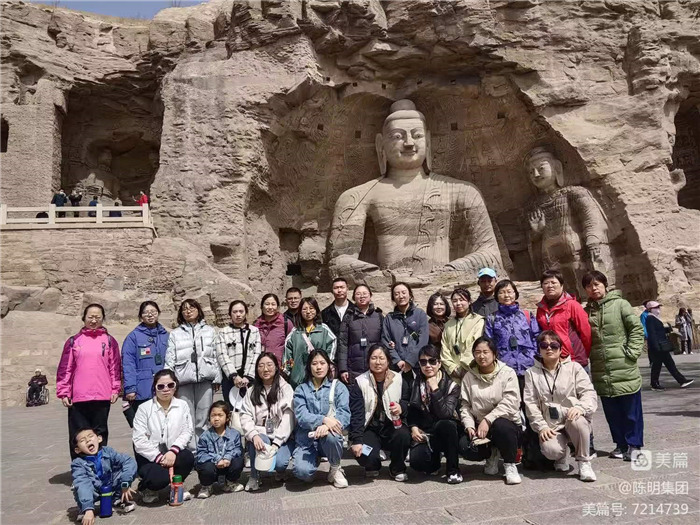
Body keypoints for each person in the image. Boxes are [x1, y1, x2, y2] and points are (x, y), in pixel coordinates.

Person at [583, 271, 646, 461]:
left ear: (605, 285)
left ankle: (634, 445)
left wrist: (631, 353)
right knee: (612, 412)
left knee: (631, 411)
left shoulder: (620, 304)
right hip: (601, 369)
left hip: (624, 365)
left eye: (597, 284)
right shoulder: (587, 311)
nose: (593, 289)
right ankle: (621, 444)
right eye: (589, 286)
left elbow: (636, 329)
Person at [523, 331, 598, 482]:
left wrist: (581, 408)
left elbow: (589, 393)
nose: (549, 348)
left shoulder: (575, 368)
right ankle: (561, 455)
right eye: (544, 345)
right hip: (551, 424)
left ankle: (584, 462)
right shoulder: (531, 373)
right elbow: (530, 403)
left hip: (572, 418)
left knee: (578, 422)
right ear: (539, 349)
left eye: (554, 345)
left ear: (561, 349)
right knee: (551, 450)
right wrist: (541, 426)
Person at [57, 303, 121, 459]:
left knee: (99, 434)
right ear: (84, 318)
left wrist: (115, 389)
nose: (93, 320)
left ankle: (100, 466)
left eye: (97, 317)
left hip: (102, 395)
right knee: (78, 435)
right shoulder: (74, 341)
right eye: (90, 317)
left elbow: (115, 367)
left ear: (103, 318)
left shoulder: (109, 341)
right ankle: (80, 468)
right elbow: (66, 368)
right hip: (79, 396)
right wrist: (64, 392)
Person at [459, 337, 523, 484]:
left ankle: (510, 464)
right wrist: (469, 425)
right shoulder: (469, 376)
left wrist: (488, 420)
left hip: (507, 424)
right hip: (480, 427)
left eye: (485, 352)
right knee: (464, 446)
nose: (481, 356)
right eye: (477, 352)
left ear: (494, 354)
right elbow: (465, 405)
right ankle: (491, 454)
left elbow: (511, 403)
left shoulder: (507, 373)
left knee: (501, 426)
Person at [348, 344, 411, 481]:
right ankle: (373, 464)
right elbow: (357, 413)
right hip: (370, 428)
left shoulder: (398, 379)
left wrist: (401, 407)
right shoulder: (360, 382)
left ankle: (397, 468)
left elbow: (407, 401)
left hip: (392, 426)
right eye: (374, 358)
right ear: (368, 361)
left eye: (381, 358)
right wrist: (357, 439)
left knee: (403, 435)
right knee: (365, 454)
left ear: (388, 361)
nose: (377, 362)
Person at [132, 369, 195, 504]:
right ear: (154, 388)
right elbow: (139, 440)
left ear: (175, 386)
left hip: (173, 452)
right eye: (161, 386)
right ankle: (147, 488)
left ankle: (176, 485)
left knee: (188, 457)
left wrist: (173, 451)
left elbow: (187, 430)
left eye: (170, 385)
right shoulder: (144, 408)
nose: (166, 389)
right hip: (151, 456)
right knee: (158, 479)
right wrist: (159, 457)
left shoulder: (182, 405)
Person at [165, 299, 221, 448]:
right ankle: (191, 451)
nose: (188, 311)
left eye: (191, 308)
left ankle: (203, 448)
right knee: (186, 417)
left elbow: (216, 355)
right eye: (185, 309)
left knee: (204, 416)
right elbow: (170, 357)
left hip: (205, 379)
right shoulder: (175, 334)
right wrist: (169, 381)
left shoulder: (209, 331)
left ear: (198, 310)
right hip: (183, 380)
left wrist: (217, 378)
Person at [292, 350, 350, 488]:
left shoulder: (338, 387)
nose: (319, 367)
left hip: (328, 438)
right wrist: (323, 420)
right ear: (309, 366)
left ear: (329, 365)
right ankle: (313, 460)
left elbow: (344, 413)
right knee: (303, 473)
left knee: (332, 436)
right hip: (307, 440)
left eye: (322, 363)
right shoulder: (301, 389)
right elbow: (301, 416)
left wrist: (327, 426)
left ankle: (335, 468)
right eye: (314, 363)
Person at [240, 352, 296, 491]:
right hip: (261, 434)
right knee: (257, 440)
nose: (265, 369)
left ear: (276, 367)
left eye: (269, 365)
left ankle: (280, 471)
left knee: (280, 464)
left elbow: (289, 418)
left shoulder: (286, 389)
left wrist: (276, 443)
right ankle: (254, 476)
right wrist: (253, 435)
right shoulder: (251, 391)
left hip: (282, 437)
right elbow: (245, 415)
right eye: (261, 366)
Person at [407, 345, 462, 483]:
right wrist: (413, 427)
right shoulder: (416, 383)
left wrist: (435, 389)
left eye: (432, 361)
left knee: (446, 424)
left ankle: (453, 470)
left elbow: (445, 414)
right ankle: (434, 462)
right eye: (423, 362)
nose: (428, 366)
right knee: (417, 462)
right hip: (427, 431)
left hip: (447, 431)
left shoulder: (452, 386)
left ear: (439, 363)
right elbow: (412, 409)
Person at [71, 428, 137, 525]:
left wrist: (125, 482)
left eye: (90, 436)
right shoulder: (78, 464)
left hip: (109, 484)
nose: (88, 440)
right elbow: (83, 484)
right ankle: (85, 509)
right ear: (77, 450)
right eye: (82, 440)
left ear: (99, 439)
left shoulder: (108, 452)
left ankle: (117, 499)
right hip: (93, 489)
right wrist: (88, 508)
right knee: (78, 486)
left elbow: (128, 461)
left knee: (125, 471)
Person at [121, 301, 169, 427]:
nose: (150, 315)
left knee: (165, 425)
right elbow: (128, 364)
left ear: (158, 313)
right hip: (143, 388)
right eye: (146, 312)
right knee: (144, 427)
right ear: (140, 316)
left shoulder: (166, 335)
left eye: (153, 312)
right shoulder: (133, 337)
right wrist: (130, 388)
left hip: (164, 388)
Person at [484, 280, 540, 386]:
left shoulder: (527, 315)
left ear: (515, 293)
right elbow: (489, 343)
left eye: (509, 291)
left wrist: (535, 358)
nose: (506, 295)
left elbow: (536, 338)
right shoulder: (492, 318)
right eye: (501, 292)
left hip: (529, 368)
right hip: (504, 370)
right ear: (496, 296)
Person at [535, 269, 591, 368]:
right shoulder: (541, 309)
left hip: (574, 360)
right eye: (546, 283)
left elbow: (586, 333)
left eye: (553, 282)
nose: (550, 286)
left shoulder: (572, 305)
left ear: (561, 285)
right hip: (552, 361)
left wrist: (583, 354)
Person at [214, 300, 261, 415]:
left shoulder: (254, 331)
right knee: (232, 411)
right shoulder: (223, 332)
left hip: (249, 379)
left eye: (241, 311)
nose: (238, 314)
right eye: (235, 312)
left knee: (251, 410)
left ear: (246, 313)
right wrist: (234, 376)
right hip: (230, 379)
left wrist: (248, 376)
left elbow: (256, 354)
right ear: (230, 314)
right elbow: (222, 355)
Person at [283, 297, 337, 388]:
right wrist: (289, 371)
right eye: (304, 309)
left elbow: (332, 345)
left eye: (311, 308)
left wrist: (326, 363)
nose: (308, 312)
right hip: (298, 379)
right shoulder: (295, 332)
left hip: (319, 377)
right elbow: (288, 355)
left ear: (316, 310)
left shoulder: (324, 329)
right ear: (300, 312)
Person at [196, 401, 244, 498]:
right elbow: (201, 454)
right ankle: (207, 486)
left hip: (227, 464)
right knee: (203, 466)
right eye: (213, 415)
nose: (216, 419)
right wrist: (217, 459)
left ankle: (230, 482)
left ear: (227, 418)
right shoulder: (205, 436)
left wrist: (228, 457)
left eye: (220, 415)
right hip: (213, 466)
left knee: (238, 461)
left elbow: (238, 450)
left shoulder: (234, 434)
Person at [337, 284, 383, 384]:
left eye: (365, 293)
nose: (362, 296)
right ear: (354, 297)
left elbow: (384, 342)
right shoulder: (348, 317)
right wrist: (343, 369)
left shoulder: (379, 316)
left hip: (376, 366)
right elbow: (342, 343)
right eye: (358, 294)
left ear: (370, 295)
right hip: (354, 367)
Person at [382, 282, 429, 375]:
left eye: (404, 293)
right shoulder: (389, 318)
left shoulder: (420, 314)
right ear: (393, 298)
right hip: (396, 368)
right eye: (396, 294)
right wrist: (397, 360)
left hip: (417, 366)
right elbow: (386, 341)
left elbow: (423, 340)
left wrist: (410, 361)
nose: (401, 296)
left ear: (410, 295)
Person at [646, 301, 694, 391]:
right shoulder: (650, 318)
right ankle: (655, 384)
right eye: (656, 307)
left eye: (658, 307)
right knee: (660, 366)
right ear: (650, 309)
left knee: (666, 365)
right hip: (658, 346)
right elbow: (652, 333)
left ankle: (680, 380)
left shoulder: (654, 318)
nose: (658, 309)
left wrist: (667, 330)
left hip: (660, 346)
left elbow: (658, 330)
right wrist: (656, 346)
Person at [441, 287, 484, 382]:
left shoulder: (478, 321)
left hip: (473, 370)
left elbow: (476, 344)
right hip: (453, 374)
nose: (458, 303)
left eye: (462, 300)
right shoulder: (448, 325)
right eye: (455, 301)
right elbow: (444, 348)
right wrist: (452, 368)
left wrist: (464, 367)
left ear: (469, 301)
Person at [254, 293, 294, 364]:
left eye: (273, 304)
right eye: (267, 304)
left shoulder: (286, 323)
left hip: (279, 365)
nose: (270, 307)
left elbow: (292, 346)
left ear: (278, 307)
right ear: (261, 307)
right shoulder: (256, 325)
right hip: (261, 365)